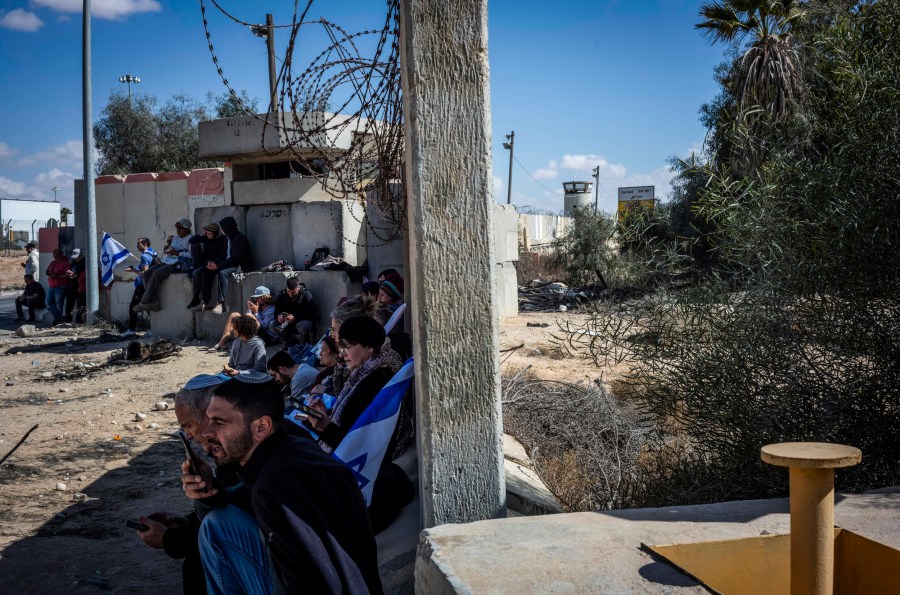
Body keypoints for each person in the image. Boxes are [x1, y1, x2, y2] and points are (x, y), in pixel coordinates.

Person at [181, 377, 383, 594]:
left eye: (219, 422)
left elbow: (315, 577)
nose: (206, 433)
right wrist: (211, 493)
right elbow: (242, 496)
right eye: (209, 420)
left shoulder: (277, 483)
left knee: (215, 527)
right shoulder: (287, 449)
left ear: (261, 427)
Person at [306, 316, 414, 533]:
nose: (341, 353)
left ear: (370, 347)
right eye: (340, 346)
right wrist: (324, 421)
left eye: (348, 346)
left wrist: (324, 427)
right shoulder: (362, 374)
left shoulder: (375, 382)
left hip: (366, 472)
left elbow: (358, 446)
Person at [133, 377, 235, 595]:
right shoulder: (228, 453)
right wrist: (189, 520)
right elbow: (231, 502)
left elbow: (231, 523)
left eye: (189, 425)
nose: (189, 435)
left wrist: (170, 539)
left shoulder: (246, 453)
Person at [194, 216, 253, 315]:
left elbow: (235, 258)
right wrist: (214, 263)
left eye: (222, 228)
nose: (221, 230)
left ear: (228, 228)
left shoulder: (239, 239)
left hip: (240, 265)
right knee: (207, 271)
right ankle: (206, 302)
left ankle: (221, 304)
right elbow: (223, 255)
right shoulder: (227, 239)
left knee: (222, 273)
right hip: (229, 263)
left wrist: (218, 266)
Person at [136, 218, 194, 312]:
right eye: (177, 228)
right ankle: (154, 302)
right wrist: (168, 251)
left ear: (187, 229)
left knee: (156, 273)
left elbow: (191, 255)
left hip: (178, 263)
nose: (178, 230)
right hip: (168, 260)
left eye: (181, 228)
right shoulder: (175, 238)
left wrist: (177, 253)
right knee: (146, 274)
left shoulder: (190, 239)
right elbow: (171, 249)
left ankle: (144, 301)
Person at [214, 286, 277, 351]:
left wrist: (255, 313)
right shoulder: (258, 308)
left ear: (265, 298)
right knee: (234, 315)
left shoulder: (271, 310)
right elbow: (247, 321)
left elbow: (264, 327)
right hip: (256, 333)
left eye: (259, 297)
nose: (256, 299)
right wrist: (249, 309)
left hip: (267, 338)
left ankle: (240, 344)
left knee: (248, 315)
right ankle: (222, 343)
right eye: (255, 298)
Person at [122, 238, 157, 338]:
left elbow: (145, 273)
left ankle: (131, 330)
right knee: (148, 307)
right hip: (151, 285)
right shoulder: (153, 252)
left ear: (144, 244)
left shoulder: (144, 256)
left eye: (138, 244)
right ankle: (151, 329)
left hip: (142, 285)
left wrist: (132, 270)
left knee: (133, 307)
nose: (137, 246)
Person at [188, 223, 227, 311]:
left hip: (217, 263)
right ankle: (196, 297)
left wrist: (214, 262)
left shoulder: (222, 239)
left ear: (215, 233)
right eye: (207, 233)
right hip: (206, 262)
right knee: (196, 273)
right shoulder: (206, 237)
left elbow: (222, 255)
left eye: (210, 234)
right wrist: (201, 234)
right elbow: (191, 241)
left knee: (204, 274)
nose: (208, 235)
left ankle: (205, 302)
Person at [270, 277, 318, 346]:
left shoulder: (306, 295)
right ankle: (290, 342)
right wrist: (279, 317)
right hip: (286, 324)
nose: (290, 294)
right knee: (273, 325)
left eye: (293, 292)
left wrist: (295, 318)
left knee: (305, 325)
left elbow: (312, 314)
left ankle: (304, 345)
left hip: (301, 323)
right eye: (288, 291)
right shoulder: (281, 295)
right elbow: (276, 312)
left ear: (298, 288)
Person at [45, 248, 71, 325]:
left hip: (60, 286)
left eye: (55, 254)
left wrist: (56, 276)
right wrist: (50, 274)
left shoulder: (65, 263)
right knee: (48, 302)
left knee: (59, 304)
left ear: (60, 255)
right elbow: (47, 271)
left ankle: (57, 320)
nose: (54, 256)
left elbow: (68, 275)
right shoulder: (52, 262)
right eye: (53, 254)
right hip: (51, 286)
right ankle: (58, 318)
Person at [64, 248, 86, 323]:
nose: (76, 259)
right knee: (69, 304)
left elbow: (84, 274)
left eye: (77, 257)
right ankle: (68, 320)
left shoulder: (85, 262)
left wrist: (75, 275)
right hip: (72, 285)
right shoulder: (74, 262)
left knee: (80, 304)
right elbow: (72, 271)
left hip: (81, 286)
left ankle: (79, 320)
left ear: (80, 255)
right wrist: (69, 273)